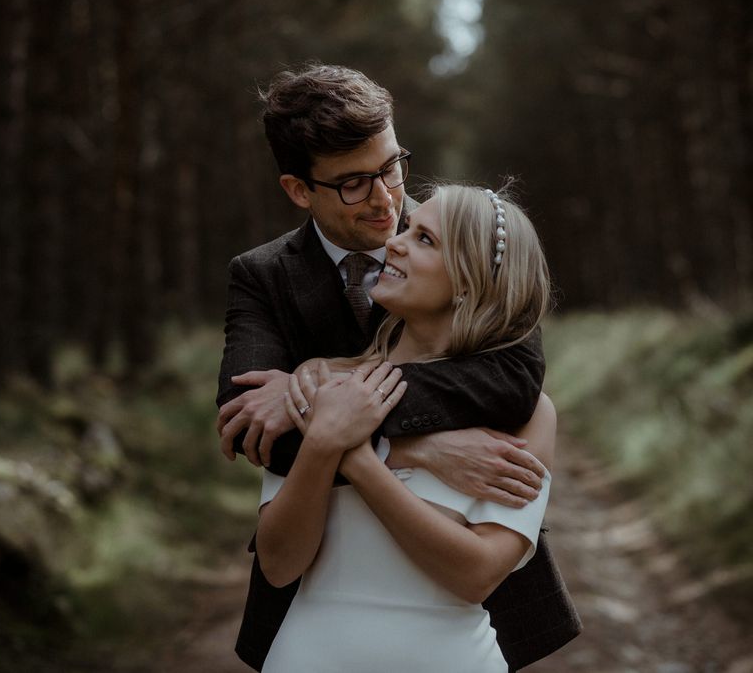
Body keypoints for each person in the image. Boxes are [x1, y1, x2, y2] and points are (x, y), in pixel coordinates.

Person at [215, 63, 580, 672]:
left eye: (391, 166)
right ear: (300, 189)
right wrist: (416, 448)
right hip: (312, 628)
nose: (388, 203)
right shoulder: (262, 275)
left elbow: (514, 380)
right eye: (355, 183)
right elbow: (253, 427)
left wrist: (346, 414)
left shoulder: (464, 234)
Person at [257, 184, 556, 672]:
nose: (394, 241)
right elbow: (278, 564)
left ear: (468, 281)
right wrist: (324, 443)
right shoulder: (320, 381)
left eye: (424, 240)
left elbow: (476, 574)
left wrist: (351, 450)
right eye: (408, 230)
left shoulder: (529, 415)